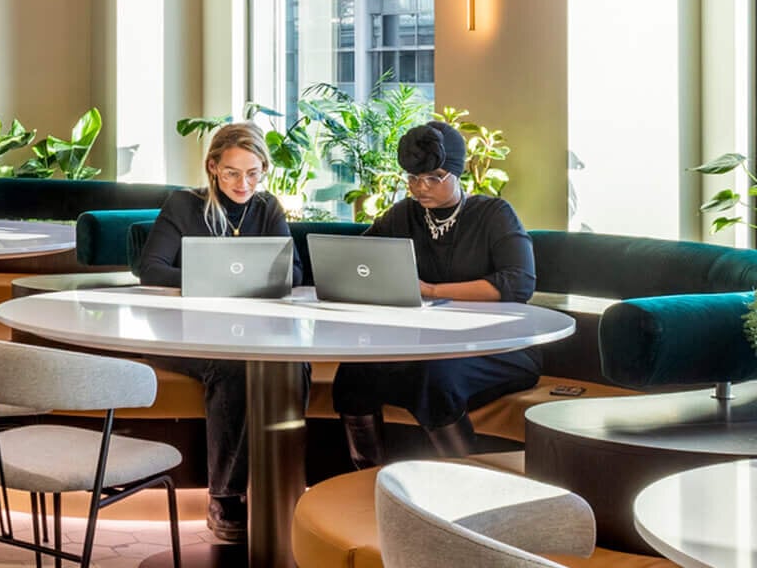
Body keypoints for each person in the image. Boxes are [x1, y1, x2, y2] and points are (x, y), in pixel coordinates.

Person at [331, 121, 540, 466]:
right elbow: (359, 258)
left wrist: (431, 290)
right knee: (355, 373)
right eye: (413, 179)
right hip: (425, 346)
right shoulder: (403, 215)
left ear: (457, 174)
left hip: (500, 346)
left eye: (434, 177)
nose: (420, 187)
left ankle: (464, 484)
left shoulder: (494, 214)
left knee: (434, 378)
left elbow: (519, 282)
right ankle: (370, 479)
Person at [133, 122, 296, 543]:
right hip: (185, 332)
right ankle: (225, 495)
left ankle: (288, 490)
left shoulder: (268, 208)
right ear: (212, 168)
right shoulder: (184, 205)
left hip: (251, 331)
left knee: (295, 363)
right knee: (231, 365)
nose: (244, 183)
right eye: (232, 173)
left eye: (254, 173)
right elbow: (150, 269)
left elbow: (293, 273)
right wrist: (214, 279)